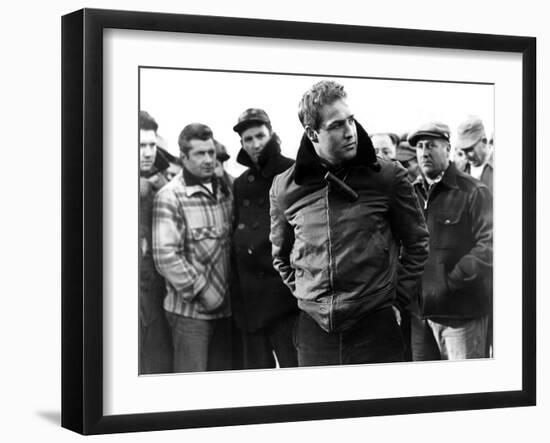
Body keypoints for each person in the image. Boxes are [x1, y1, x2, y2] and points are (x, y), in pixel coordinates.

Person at [269, 80, 429, 367]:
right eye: (336, 125)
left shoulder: (388, 176)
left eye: (351, 120)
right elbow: (281, 257)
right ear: (312, 133)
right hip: (314, 333)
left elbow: (417, 244)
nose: (349, 132)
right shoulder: (284, 188)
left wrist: (394, 301)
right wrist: (310, 298)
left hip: (376, 325)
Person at [408, 121, 493, 360]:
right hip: (421, 317)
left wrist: (451, 282)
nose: (424, 152)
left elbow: (489, 246)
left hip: (460, 316)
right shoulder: (411, 193)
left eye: (432, 145)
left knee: (467, 391)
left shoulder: (473, 191)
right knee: (425, 392)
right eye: (420, 146)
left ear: (447, 149)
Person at [153, 123, 234, 372]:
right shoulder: (170, 197)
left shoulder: (224, 191)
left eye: (211, 152)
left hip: (227, 313)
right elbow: (166, 256)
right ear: (184, 157)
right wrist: (202, 292)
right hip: (190, 315)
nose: (208, 159)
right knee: (192, 389)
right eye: (200, 154)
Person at [231, 108, 298, 369]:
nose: (255, 144)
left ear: (271, 134)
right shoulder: (241, 183)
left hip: (284, 296)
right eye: (248, 139)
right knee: (257, 377)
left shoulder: (292, 170)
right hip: (251, 300)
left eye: (260, 135)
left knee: (295, 370)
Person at [138, 110, 173, 374]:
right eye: (141, 145)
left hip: (158, 296)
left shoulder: (162, 188)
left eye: (151, 145)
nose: (148, 152)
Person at [456, 116, 493, 194]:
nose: (466, 156)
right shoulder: (461, 170)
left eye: (469, 150)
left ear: (484, 141)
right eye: (463, 151)